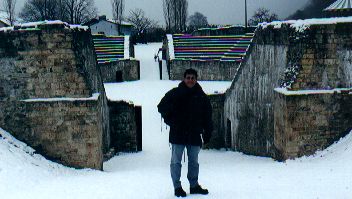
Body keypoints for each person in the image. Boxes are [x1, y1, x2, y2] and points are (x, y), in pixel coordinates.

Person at [157, 68, 213, 197]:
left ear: (196, 79)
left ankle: (194, 185)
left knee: (194, 162)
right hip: (178, 133)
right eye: (188, 77)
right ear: (184, 78)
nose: (190, 80)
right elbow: (161, 107)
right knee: (176, 162)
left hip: (194, 133)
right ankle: (177, 187)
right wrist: (172, 121)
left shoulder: (201, 96)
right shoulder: (175, 93)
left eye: (192, 78)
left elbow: (207, 115)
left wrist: (207, 131)